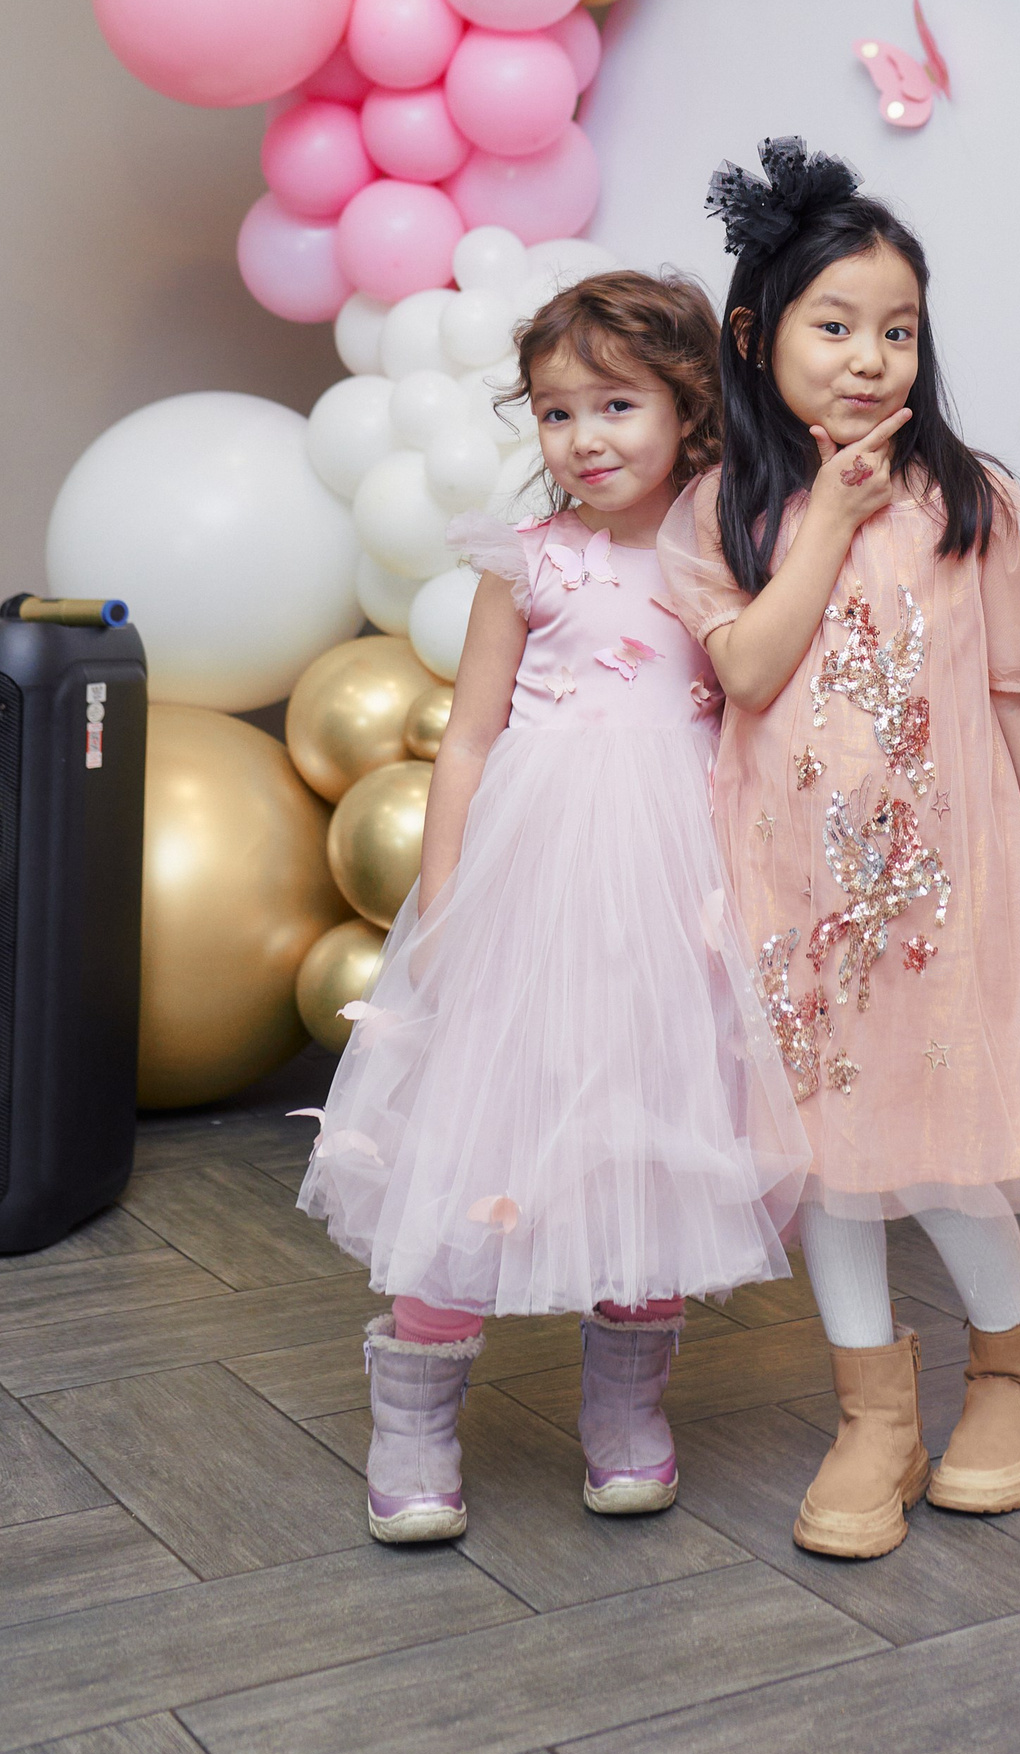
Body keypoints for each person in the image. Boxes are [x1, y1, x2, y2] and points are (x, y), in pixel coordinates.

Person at [658, 137, 1020, 1561]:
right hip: (791, 897)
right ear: (756, 339)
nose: (871, 359)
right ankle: (871, 1413)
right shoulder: (722, 511)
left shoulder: (968, 502)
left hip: (944, 900)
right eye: (835, 328)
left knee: (947, 1155)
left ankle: (1018, 1378)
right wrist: (827, 515)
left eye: (898, 331)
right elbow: (749, 670)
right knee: (827, 1160)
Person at [299, 270, 808, 1545]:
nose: (583, 438)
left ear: (690, 411)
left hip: (675, 892)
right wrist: (446, 895)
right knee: (478, 1131)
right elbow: (469, 739)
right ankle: (413, 1418)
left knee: (654, 1133)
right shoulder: (526, 564)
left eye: (617, 406)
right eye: (556, 412)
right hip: (530, 890)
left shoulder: (728, 554)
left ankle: (626, 1410)